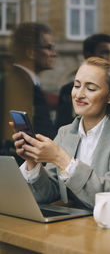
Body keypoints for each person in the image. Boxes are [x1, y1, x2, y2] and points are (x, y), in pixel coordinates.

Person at [10, 57, 110, 210]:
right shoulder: (65, 133)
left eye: (90, 89)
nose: (79, 94)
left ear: (109, 96)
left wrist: (61, 159)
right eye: (76, 86)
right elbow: (48, 193)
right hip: (73, 229)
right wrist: (32, 162)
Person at [1, 22, 58, 164]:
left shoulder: (22, 82)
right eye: (49, 48)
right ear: (31, 52)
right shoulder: (19, 85)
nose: (54, 54)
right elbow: (28, 141)